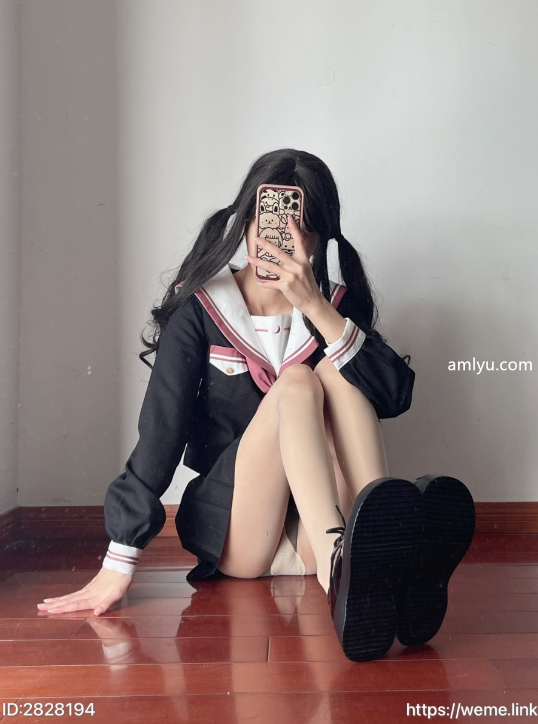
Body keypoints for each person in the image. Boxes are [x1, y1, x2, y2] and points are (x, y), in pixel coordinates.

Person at [37, 149, 475, 661]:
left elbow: (395, 396)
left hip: (317, 524)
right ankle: (353, 563)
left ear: (321, 238)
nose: (286, 242)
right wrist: (120, 557)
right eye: (271, 225)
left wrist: (316, 308)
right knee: (297, 383)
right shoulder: (203, 307)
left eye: (304, 230)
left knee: (337, 369)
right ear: (246, 222)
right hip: (242, 531)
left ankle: (376, 555)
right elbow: (161, 431)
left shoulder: (332, 305)